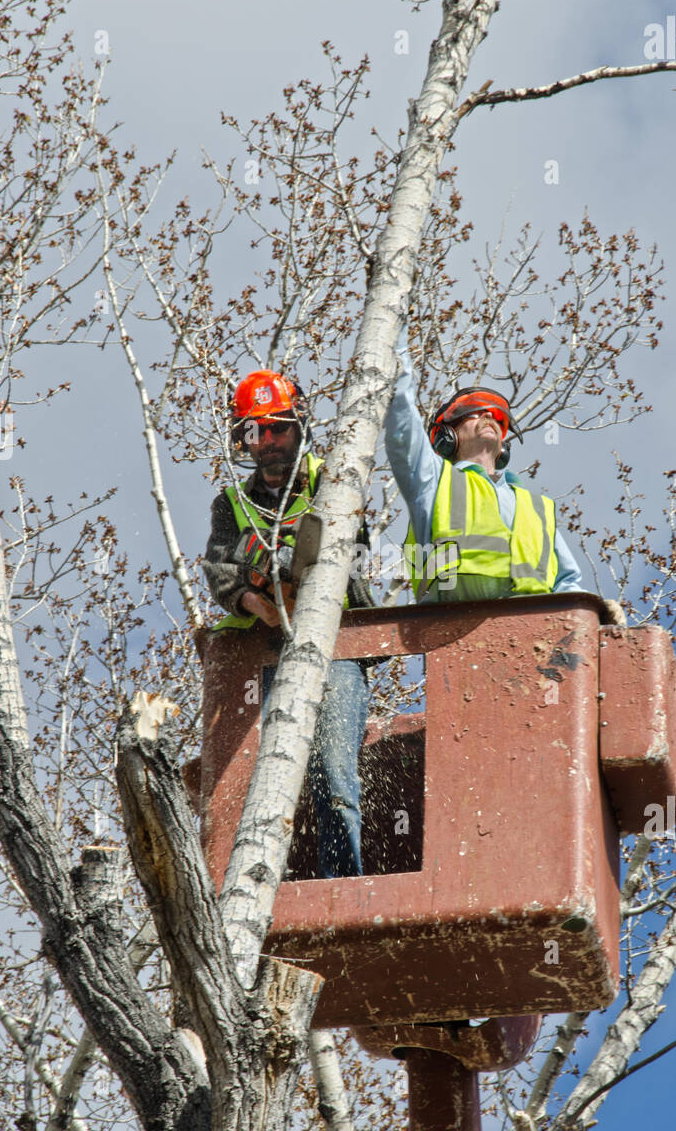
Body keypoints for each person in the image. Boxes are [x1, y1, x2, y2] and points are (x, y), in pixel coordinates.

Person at [202, 368, 373, 879]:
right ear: (243, 438)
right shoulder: (231, 504)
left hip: (333, 642)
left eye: (278, 427)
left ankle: (341, 886)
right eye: (256, 431)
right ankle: (249, 895)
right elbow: (217, 568)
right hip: (259, 652)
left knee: (333, 778)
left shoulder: (332, 478)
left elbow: (351, 542)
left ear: (297, 428)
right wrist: (262, 603)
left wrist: (300, 579)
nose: (268, 441)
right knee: (249, 791)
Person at [385, 339, 591, 605]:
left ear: (503, 447)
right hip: (445, 631)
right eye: (473, 412)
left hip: (530, 636)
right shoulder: (435, 481)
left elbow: (567, 585)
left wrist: (594, 614)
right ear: (447, 435)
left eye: (496, 416)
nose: (489, 417)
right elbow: (402, 422)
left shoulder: (536, 508)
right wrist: (395, 332)